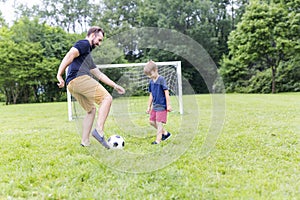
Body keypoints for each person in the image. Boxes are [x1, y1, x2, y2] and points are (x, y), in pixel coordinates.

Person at [56, 26, 125, 149]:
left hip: (72, 84)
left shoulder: (87, 55)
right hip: (79, 79)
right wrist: (59, 74)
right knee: (106, 98)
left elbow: (99, 74)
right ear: (92, 35)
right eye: (99, 40)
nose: (99, 44)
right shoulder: (84, 44)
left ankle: (85, 141)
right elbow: (70, 55)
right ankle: (99, 131)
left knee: (91, 110)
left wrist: (115, 85)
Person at [144, 60, 172, 144]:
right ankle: (166, 133)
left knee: (159, 123)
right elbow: (151, 95)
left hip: (161, 106)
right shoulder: (151, 82)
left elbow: (166, 92)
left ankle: (158, 140)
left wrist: (168, 105)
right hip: (155, 106)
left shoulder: (161, 79)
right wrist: (149, 106)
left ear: (156, 70)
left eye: (151, 74)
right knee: (152, 122)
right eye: (148, 75)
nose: (150, 76)